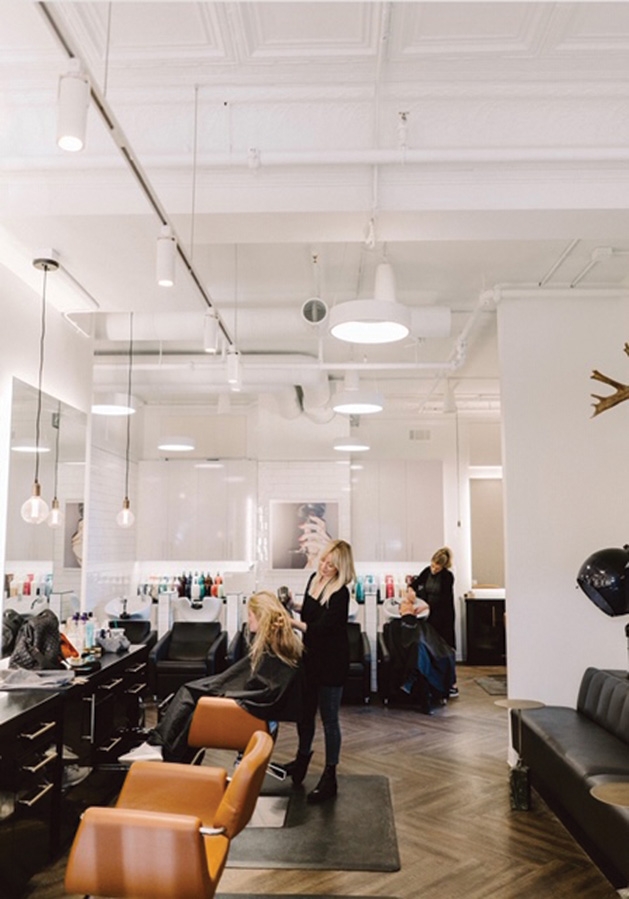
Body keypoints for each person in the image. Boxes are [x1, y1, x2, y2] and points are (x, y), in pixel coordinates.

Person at [118, 591, 303, 764]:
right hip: (255, 695)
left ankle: (156, 746)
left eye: (250, 614)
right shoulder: (282, 643)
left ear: (261, 616)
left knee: (188, 691)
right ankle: (169, 755)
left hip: (253, 699)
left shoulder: (270, 648)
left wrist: (227, 690)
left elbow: (260, 685)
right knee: (192, 709)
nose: (248, 619)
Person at [283, 538, 355, 804]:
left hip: (332, 662)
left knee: (329, 719)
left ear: (341, 568)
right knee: (305, 713)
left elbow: (324, 628)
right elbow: (310, 614)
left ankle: (330, 776)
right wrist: (293, 605)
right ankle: (301, 761)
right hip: (310, 658)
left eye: (331, 565)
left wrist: (292, 622)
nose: (324, 566)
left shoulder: (341, 592)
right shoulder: (314, 579)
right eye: (323, 560)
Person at [387, 591, 456, 713]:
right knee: (418, 647)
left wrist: (427, 606)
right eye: (404, 604)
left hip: (422, 654)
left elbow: (435, 643)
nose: (408, 605)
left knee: (419, 647)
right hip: (409, 653)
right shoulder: (394, 625)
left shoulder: (424, 625)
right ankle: (424, 698)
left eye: (410, 604)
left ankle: (410, 680)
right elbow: (395, 644)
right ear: (399, 610)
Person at [408, 546, 458, 697]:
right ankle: (434, 681)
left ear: (444, 566)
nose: (434, 569)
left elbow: (444, 599)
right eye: (433, 565)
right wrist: (411, 589)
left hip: (444, 616)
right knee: (431, 648)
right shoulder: (427, 571)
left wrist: (426, 606)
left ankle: (451, 684)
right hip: (429, 615)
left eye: (437, 567)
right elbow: (415, 584)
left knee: (446, 649)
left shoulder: (447, 577)